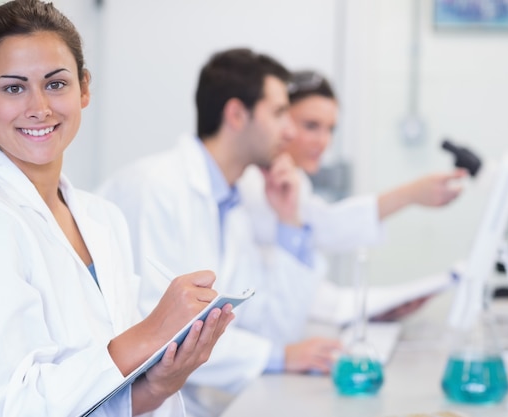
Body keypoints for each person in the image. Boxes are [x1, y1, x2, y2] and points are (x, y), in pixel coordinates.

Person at [0, 1, 233, 416]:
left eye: (55, 84)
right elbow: (11, 406)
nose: (39, 106)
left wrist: (160, 382)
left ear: (83, 88)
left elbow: (99, 397)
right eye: (13, 87)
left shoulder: (102, 220)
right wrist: (153, 331)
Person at [98, 49, 340, 416]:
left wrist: (290, 222)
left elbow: (269, 324)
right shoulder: (154, 189)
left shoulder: (235, 201)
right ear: (236, 114)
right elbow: (159, 329)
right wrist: (275, 356)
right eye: (278, 114)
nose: (289, 131)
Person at [237, 70, 466, 323]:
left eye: (330, 129)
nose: (323, 141)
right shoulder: (251, 185)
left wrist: (370, 308)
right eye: (311, 126)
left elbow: (305, 268)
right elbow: (322, 228)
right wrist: (409, 194)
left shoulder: (293, 181)